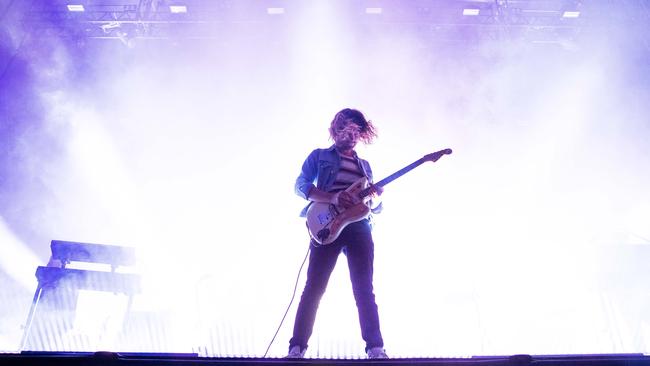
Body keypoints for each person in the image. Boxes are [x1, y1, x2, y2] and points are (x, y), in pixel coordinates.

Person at [287, 108, 388, 359]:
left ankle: (375, 348)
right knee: (314, 287)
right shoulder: (319, 156)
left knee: (364, 288)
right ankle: (296, 347)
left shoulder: (364, 166)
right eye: (347, 131)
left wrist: (375, 199)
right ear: (336, 130)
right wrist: (333, 197)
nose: (352, 137)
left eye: (357, 132)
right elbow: (301, 185)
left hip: (358, 228)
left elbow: (374, 207)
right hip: (327, 224)